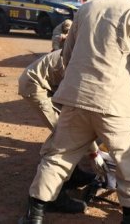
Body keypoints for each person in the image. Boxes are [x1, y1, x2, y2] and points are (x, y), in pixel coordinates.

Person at [19, 0, 130, 224]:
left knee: (58, 157)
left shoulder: (86, 9)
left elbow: (67, 55)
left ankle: (35, 216)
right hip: (117, 105)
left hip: (75, 100)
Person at [18, 49, 103, 214]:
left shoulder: (92, 50)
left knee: (69, 133)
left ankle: (74, 174)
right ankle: (54, 197)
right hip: (36, 85)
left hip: (54, 85)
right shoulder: (87, 61)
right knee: (64, 137)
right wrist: (94, 152)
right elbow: (80, 118)